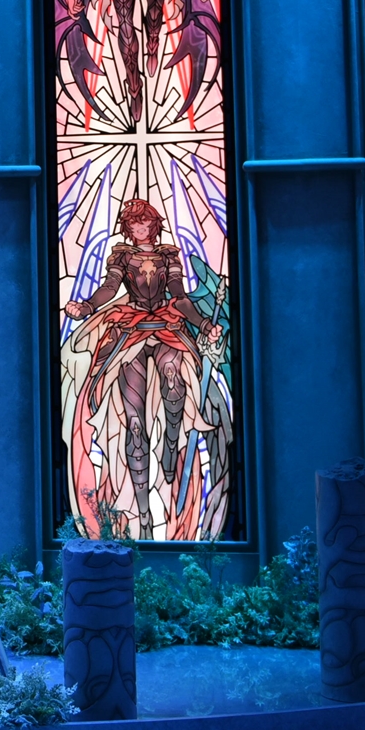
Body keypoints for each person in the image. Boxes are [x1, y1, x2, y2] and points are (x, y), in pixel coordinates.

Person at [63, 198, 222, 539]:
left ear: (153, 224)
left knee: (174, 383)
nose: (139, 228)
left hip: (167, 325)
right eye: (133, 223)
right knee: (134, 425)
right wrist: (86, 307)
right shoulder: (121, 255)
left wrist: (205, 324)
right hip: (132, 328)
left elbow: (179, 296)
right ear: (127, 227)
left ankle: (170, 450)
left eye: (144, 222)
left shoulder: (168, 255)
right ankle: (143, 515)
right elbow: (109, 289)